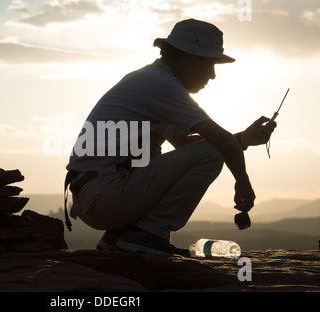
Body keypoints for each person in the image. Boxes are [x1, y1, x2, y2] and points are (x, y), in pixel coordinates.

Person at [64, 18, 276, 256]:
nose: (213, 76)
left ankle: (121, 236)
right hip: (106, 195)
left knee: (208, 149)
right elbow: (218, 144)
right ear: (189, 58)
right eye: (210, 64)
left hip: (96, 195)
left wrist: (242, 140)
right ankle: (148, 235)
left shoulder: (152, 81)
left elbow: (185, 146)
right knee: (213, 152)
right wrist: (243, 183)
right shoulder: (162, 85)